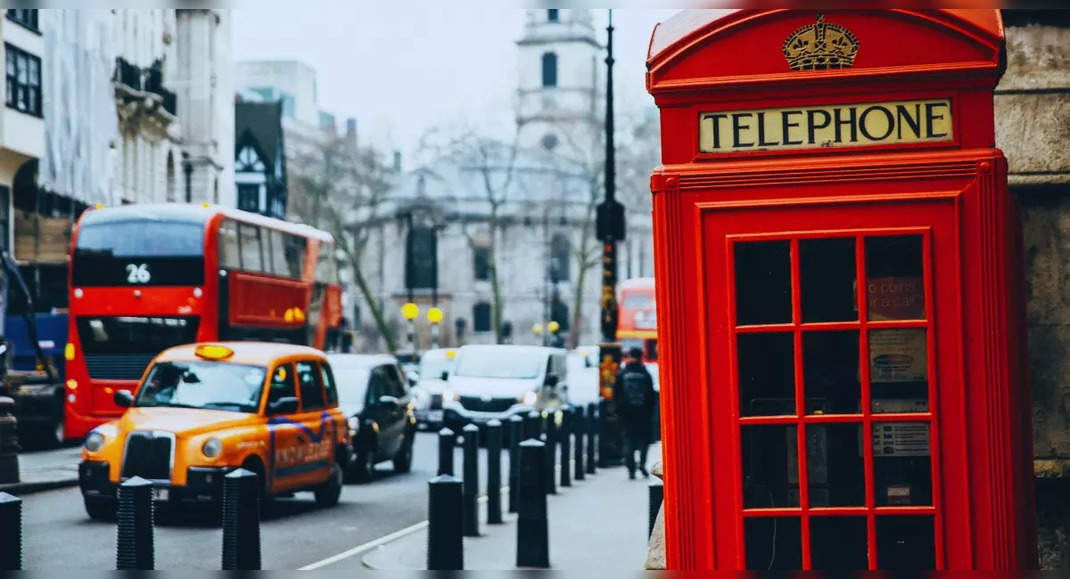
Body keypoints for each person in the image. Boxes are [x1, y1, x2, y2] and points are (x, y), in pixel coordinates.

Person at [614, 347, 656, 479]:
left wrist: (619, 410)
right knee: (644, 440)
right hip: (643, 413)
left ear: (630, 356)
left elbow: (616, 393)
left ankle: (631, 468)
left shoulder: (623, 373)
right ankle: (642, 464)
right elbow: (651, 395)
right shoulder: (645, 373)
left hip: (627, 414)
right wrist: (650, 411)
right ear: (641, 357)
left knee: (628, 440)